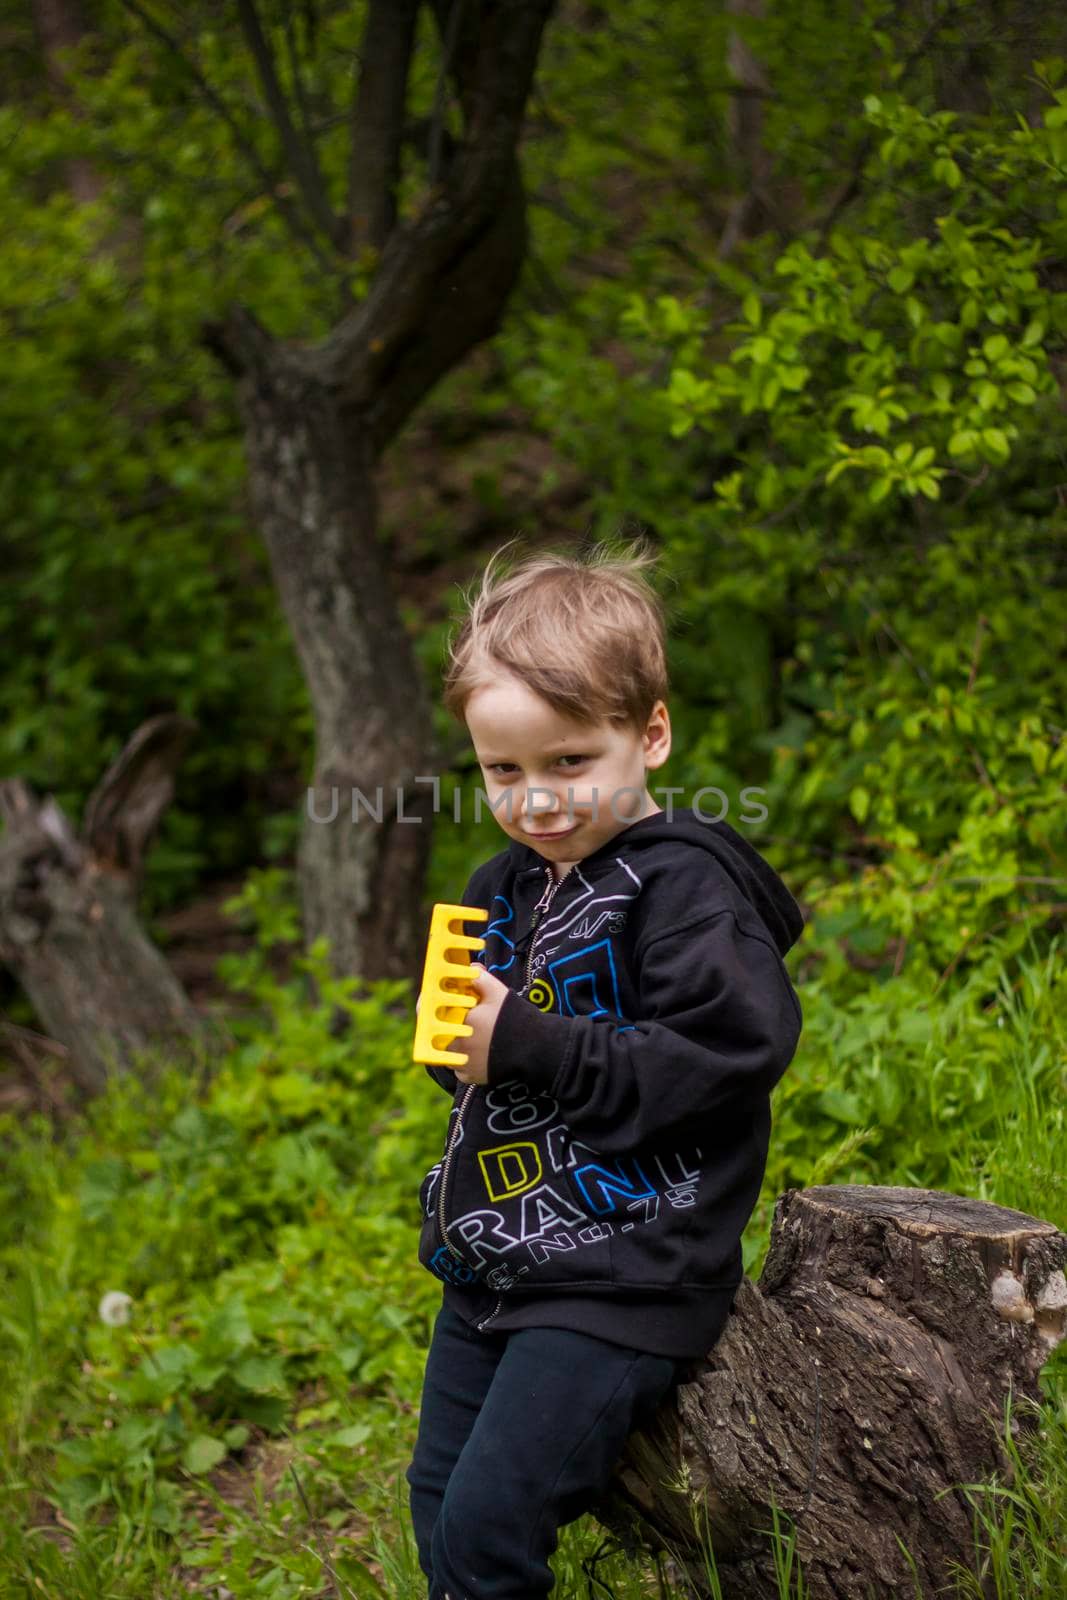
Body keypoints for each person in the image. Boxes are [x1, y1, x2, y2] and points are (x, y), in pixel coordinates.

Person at [405, 537, 805, 1600]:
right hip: (497, 1260)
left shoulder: (683, 889)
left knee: (489, 1529)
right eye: (503, 770)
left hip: (624, 1270)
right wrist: (464, 1045)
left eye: (568, 762)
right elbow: (501, 1069)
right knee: (440, 1516)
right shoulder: (509, 882)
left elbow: (728, 1054)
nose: (535, 799)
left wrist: (524, 1039)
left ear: (650, 734)